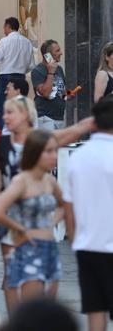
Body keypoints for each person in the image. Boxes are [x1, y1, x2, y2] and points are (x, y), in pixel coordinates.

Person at [0, 130, 63, 304]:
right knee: (32, 309)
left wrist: (51, 223)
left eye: (55, 151)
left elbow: (64, 204)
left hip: (50, 248)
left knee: (47, 309)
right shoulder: (21, 181)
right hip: (28, 248)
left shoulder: (49, 180)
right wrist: (22, 229)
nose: (54, 156)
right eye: (49, 151)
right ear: (35, 153)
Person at [64, 95, 113, 331]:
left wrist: (74, 239)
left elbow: (69, 205)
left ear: (94, 122)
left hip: (88, 245)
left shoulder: (78, 156)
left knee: (95, 309)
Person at [0, 17, 34, 126]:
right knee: (19, 107)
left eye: (4, 27)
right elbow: (31, 64)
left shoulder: (4, 41)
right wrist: (22, 69)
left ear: (8, 27)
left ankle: (3, 133)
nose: (3, 30)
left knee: (2, 108)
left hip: (5, 77)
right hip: (20, 78)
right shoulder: (27, 42)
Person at [32, 39, 67, 130]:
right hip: (46, 119)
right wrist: (50, 72)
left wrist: (68, 94)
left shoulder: (59, 69)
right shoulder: (37, 71)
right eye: (57, 51)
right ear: (48, 55)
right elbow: (46, 93)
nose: (61, 53)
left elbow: (61, 92)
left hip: (60, 117)